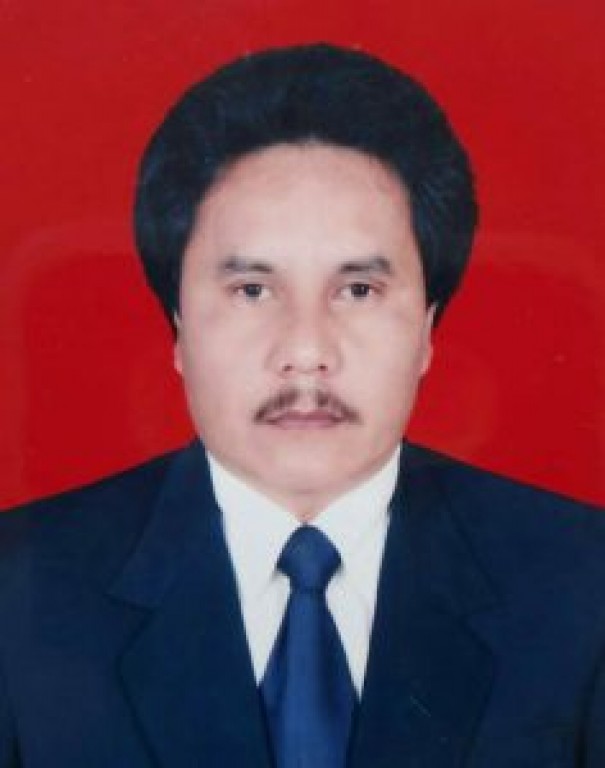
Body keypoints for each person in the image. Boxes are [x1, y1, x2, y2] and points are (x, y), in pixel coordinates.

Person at [1, 42, 604, 768]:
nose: (307, 350)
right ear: (178, 328)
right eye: (253, 290)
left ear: (426, 330)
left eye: (358, 290)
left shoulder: (584, 586)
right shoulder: (19, 592)